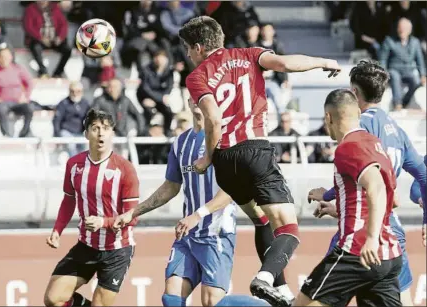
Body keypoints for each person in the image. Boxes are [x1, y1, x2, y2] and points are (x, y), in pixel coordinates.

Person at [177, 15, 341, 305]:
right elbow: (286, 64)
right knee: (288, 229)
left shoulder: (197, 76)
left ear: (200, 47)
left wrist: (209, 157)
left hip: (226, 163)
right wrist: (324, 62)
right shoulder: (249, 55)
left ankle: (283, 290)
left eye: (189, 49)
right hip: (255, 152)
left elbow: (212, 117)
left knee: (261, 219)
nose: (189, 55)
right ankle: (266, 277)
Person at [308, 60, 427, 306]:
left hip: (362, 232)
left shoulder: (358, 127)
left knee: (317, 295)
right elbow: (423, 175)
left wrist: (328, 194)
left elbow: (371, 179)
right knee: (397, 297)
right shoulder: (396, 129)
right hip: (392, 230)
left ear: (354, 93)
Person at [113, 99, 237, 307]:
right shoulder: (180, 143)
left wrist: (198, 215)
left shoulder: (225, 139)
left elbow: (232, 190)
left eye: (203, 96)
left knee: (212, 302)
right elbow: (171, 186)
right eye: (194, 96)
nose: (198, 100)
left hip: (216, 233)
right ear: (188, 102)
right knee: (171, 297)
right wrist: (133, 212)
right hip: (188, 235)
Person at [291, 89, 402, 307]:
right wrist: (337, 209)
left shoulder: (348, 147)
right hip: (387, 254)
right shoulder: (374, 143)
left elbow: (377, 188)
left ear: (328, 118)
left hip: (357, 251)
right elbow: (392, 200)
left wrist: (369, 238)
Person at [43, 109, 139, 307]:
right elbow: (69, 200)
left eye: (105, 128)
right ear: (86, 134)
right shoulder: (74, 164)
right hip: (86, 246)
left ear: (112, 133)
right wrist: (57, 230)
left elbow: (133, 217)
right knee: (53, 299)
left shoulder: (125, 169)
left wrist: (104, 222)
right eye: (95, 128)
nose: (101, 133)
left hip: (117, 250)